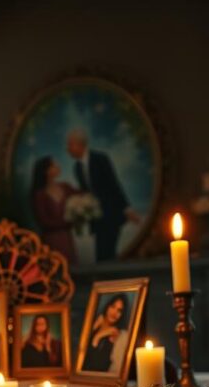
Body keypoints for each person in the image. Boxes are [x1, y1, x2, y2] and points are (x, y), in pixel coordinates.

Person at [66, 128, 142, 261]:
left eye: (70, 145)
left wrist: (127, 209)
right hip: (97, 220)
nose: (68, 149)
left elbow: (113, 184)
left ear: (80, 144)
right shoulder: (77, 167)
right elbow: (86, 193)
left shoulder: (100, 159)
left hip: (112, 215)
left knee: (107, 255)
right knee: (101, 256)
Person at [30, 156, 78, 263]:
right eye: (53, 166)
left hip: (67, 238)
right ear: (46, 171)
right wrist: (67, 222)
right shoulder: (40, 194)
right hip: (52, 240)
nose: (57, 167)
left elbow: (82, 198)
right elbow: (43, 221)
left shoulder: (65, 187)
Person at [82, 294, 129, 372]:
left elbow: (98, 365)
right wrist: (94, 329)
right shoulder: (94, 323)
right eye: (113, 306)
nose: (114, 312)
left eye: (119, 310)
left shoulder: (116, 334)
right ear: (107, 306)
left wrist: (98, 337)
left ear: (122, 315)